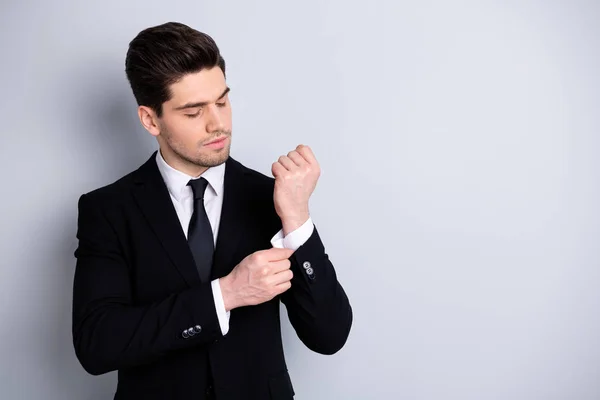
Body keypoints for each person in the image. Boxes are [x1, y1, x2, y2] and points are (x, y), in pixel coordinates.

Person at [71, 21, 352, 400]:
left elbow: (329, 335)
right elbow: (97, 344)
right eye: (193, 112)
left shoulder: (272, 198)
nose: (218, 123)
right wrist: (225, 294)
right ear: (150, 119)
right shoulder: (108, 210)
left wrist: (297, 220)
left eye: (222, 101)